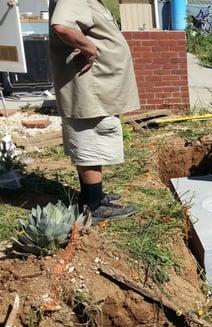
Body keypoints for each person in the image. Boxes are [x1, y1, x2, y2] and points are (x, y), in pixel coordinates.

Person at [49, 0, 140, 221]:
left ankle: (92, 195)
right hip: (90, 86)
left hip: (95, 87)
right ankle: (94, 205)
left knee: (91, 139)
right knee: (91, 140)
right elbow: (61, 25)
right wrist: (89, 49)